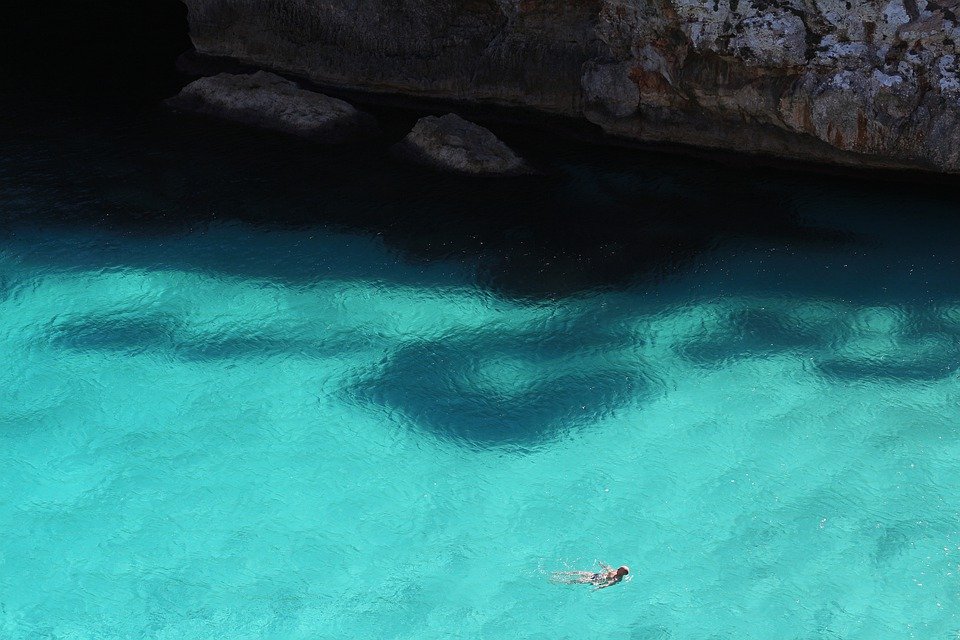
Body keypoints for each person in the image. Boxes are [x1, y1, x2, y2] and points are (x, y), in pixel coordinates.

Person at [552, 562, 629, 590]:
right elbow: (608, 569)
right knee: (579, 572)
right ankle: (560, 573)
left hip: (597, 580)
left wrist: (599, 587)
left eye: (620, 569)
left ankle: (561, 581)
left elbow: (609, 584)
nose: (618, 568)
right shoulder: (616, 571)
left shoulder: (617, 578)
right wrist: (603, 565)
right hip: (598, 575)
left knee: (579, 580)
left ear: (622, 573)